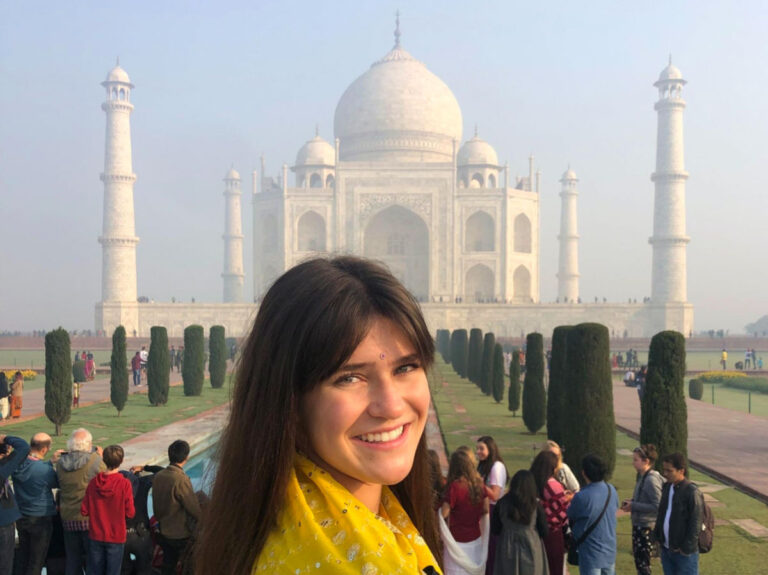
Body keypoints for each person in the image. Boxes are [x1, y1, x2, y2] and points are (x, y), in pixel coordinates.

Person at [194, 257, 443, 575]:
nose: (392, 405)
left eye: (405, 367)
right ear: (290, 404)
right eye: (350, 378)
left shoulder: (278, 527)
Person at [57, 428, 106, 575]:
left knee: (73, 560)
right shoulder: (95, 461)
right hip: (89, 518)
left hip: (68, 517)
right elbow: (107, 480)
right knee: (93, 560)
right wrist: (101, 457)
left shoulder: (60, 463)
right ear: (88, 444)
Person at [12, 432, 62, 574]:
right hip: (41, 518)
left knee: (23, 557)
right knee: (36, 560)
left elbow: (33, 468)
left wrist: (49, 462)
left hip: (21, 515)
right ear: (44, 449)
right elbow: (57, 483)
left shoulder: (17, 465)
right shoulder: (45, 470)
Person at [81, 445, 135, 575]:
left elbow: (84, 510)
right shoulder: (124, 484)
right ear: (121, 461)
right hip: (116, 536)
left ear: (103, 460)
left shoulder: (94, 483)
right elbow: (130, 513)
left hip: (96, 535)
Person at [152, 440, 201, 575]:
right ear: (186, 457)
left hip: (164, 530)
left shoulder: (159, 476)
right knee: (189, 566)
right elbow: (193, 508)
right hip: (180, 534)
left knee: (168, 565)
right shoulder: (180, 479)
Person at [566, 454, 619, 575]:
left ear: (584, 473)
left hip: (590, 552)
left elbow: (570, 515)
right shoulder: (611, 490)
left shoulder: (581, 496)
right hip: (609, 549)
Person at [440, 449, 490, 574]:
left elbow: (444, 514)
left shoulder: (455, 486)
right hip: (475, 539)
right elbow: (485, 509)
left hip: (457, 542)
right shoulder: (479, 484)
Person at [491, 469, 548, 575]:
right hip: (531, 545)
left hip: (507, 547)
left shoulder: (502, 503)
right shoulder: (535, 505)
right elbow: (544, 531)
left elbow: (495, 529)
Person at [653, 453, 703, 575]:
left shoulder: (691, 492)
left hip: (684, 554)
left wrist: (686, 548)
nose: (665, 474)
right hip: (667, 549)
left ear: (681, 471)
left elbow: (696, 522)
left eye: (669, 471)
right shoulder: (666, 487)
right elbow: (662, 514)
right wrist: (657, 536)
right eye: (664, 470)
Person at [621, 445, 663, 575]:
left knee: (643, 565)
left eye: (636, 460)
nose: (633, 463)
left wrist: (634, 506)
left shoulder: (651, 479)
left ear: (646, 461)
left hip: (646, 527)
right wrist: (633, 502)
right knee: (640, 563)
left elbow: (657, 505)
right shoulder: (643, 477)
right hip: (640, 525)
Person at [119, 463, 164, 575]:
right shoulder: (142, 483)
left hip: (120, 535)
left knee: (123, 570)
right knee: (144, 569)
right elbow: (163, 472)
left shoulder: (114, 487)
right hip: (140, 533)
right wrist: (144, 468)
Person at [530, 450, 569, 575]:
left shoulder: (530, 482)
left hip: (532, 533)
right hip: (552, 534)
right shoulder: (555, 486)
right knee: (554, 568)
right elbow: (563, 514)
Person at [0, 435, 31, 575]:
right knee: (5, 564)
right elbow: (23, 447)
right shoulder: (2, 468)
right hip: (3, 522)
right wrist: (6, 438)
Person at [477, 436, 508, 575]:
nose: (478, 451)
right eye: (477, 448)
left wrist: (478, 483)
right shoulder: (484, 466)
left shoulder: (496, 467)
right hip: (484, 509)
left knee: (491, 548)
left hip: (493, 510)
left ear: (490, 449)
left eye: (481, 448)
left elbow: (495, 495)